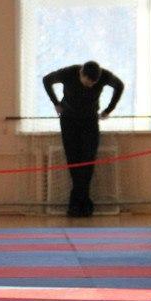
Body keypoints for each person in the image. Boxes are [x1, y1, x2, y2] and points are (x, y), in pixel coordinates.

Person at [42, 61, 124, 218]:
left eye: (93, 84)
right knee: (73, 161)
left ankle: (77, 204)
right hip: (69, 121)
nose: (90, 86)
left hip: (90, 121)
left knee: (88, 162)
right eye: (87, 82)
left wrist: (108, 110)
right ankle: (83, 205)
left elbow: (119, 86)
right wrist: (56, 103)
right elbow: (46, 80)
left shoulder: (103, 76)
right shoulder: (68, 72)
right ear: (81, 73)